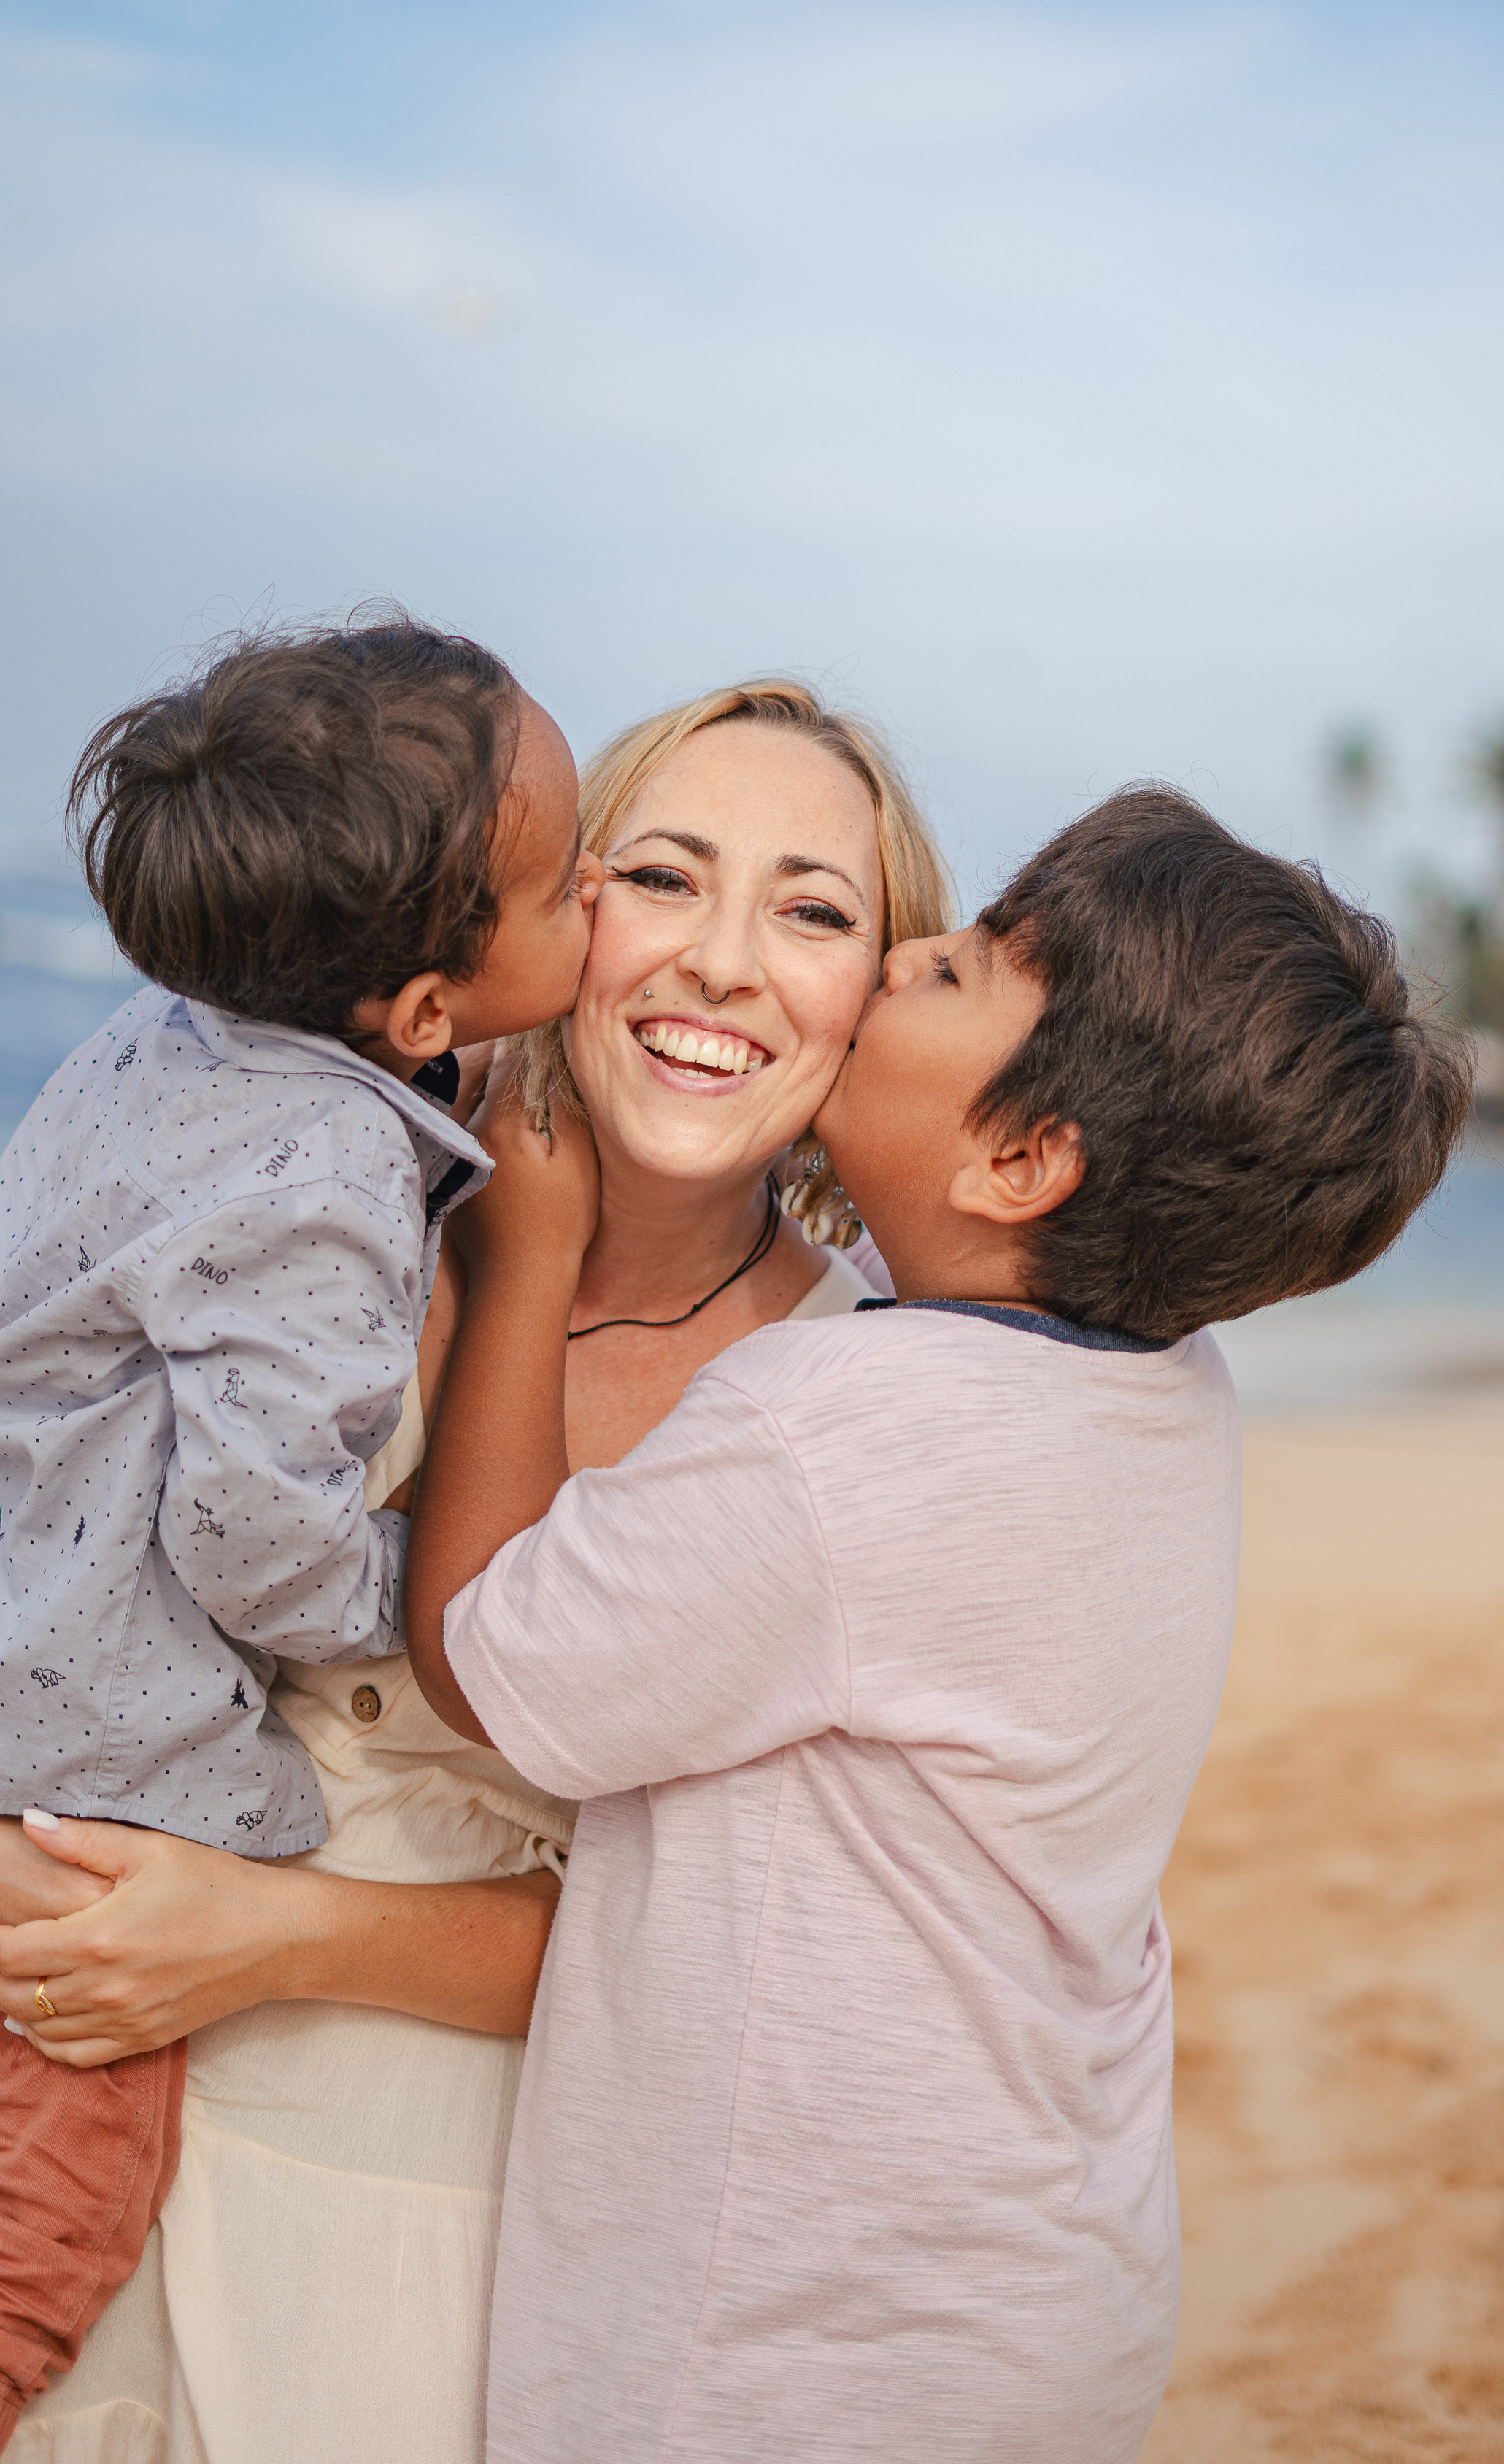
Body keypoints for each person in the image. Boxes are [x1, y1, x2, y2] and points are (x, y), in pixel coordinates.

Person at [406, 785, 1475, 2464]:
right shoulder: (1169, 1390)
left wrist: (524, 1257)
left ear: (1022, 1159)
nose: (905, 956)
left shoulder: (837, 1426)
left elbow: (487, 1654)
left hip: (792, 2340)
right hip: (1039, 2280)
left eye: (962, 965)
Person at [0, 679, 952, 2464]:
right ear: (538, 917)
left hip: (426, 2208)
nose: (721, 962)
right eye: (661, 876)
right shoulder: (295, 1178)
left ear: (880, 994)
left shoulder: (862, 1406)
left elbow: (760, 1966)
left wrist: (273, 1937)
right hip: (69, 2082)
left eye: (813, 911)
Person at [0, 616, 603, 2448]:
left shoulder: (164, 1032)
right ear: (419, 1013)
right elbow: (259, 1546)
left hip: (26, 1629)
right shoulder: (325, 1169)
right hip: (105, 1761)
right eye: (570, 882)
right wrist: (445, 1583)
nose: (597, 901)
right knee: (58, 2205)